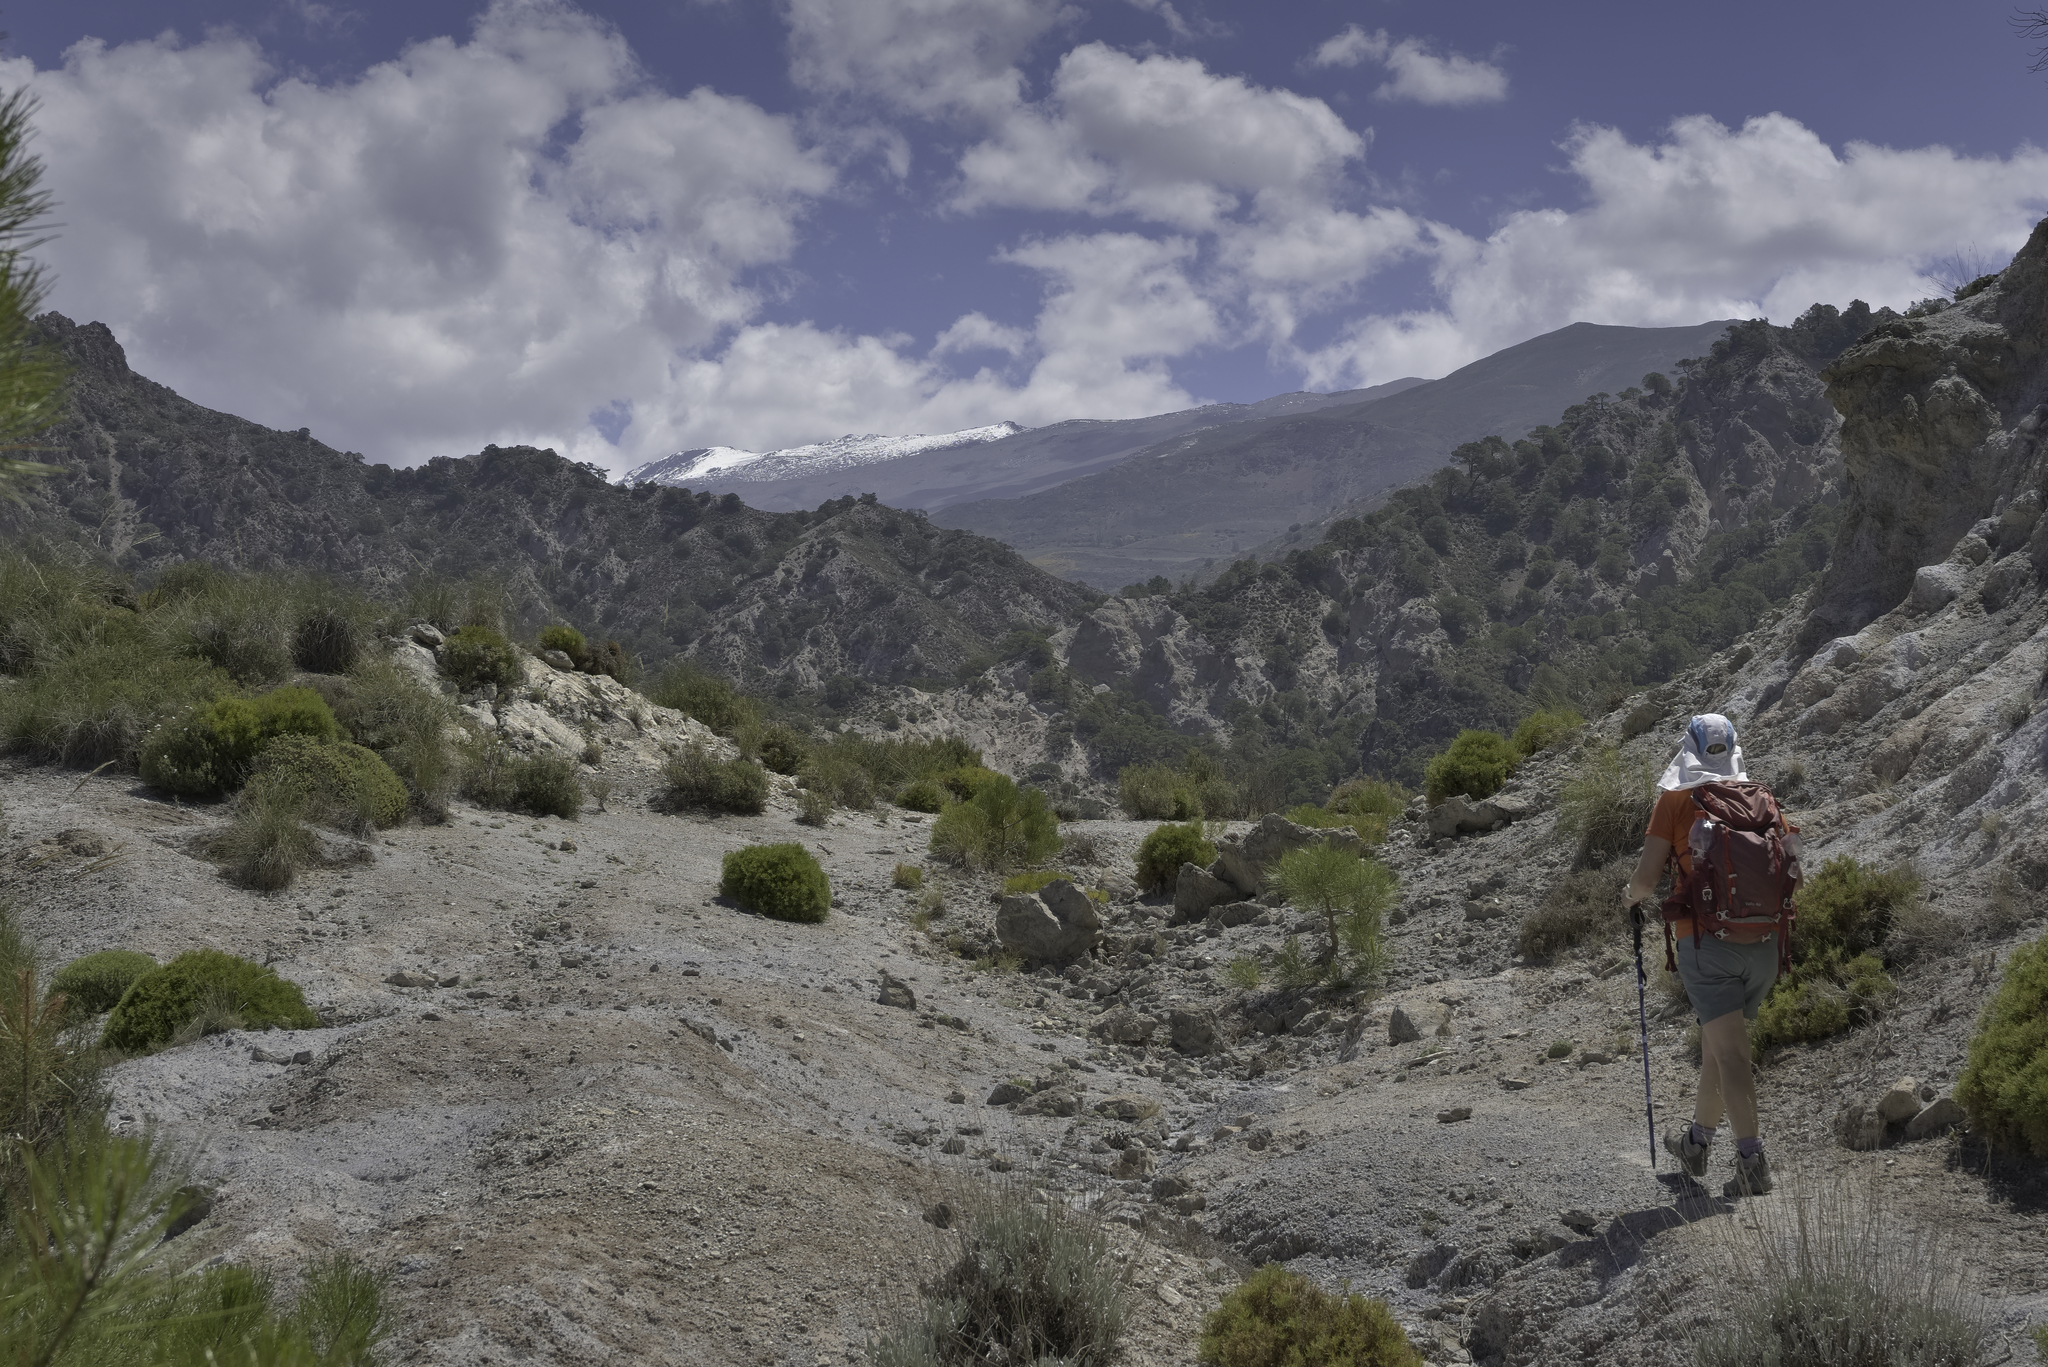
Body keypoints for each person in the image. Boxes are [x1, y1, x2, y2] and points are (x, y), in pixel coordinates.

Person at [1623, 713, 1781, 1197]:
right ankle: (1696, 1144)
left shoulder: (1674, 801)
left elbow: (1648, 879)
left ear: (1686, 749)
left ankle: (1752, 1161)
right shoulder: (1761, 796)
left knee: (1730, 1053)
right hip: (1764, 944)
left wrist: (1628, 899)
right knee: (1718, 1046)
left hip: (1706, 943)